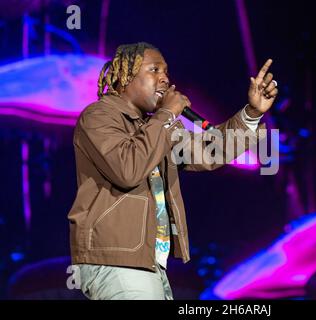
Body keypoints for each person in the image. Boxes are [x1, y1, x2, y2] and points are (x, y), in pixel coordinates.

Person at [67, 42, 278, 300]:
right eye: (154, 70)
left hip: (150, 261)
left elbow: (209, 151)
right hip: (117, 258)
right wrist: (166, 114)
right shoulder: (99, 116)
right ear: (125, 76)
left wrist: (252, 114)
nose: (165, 78)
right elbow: (127, 169)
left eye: (166, 72)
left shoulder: (158, 126)